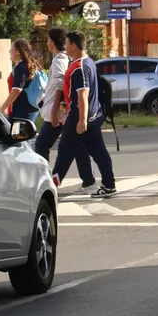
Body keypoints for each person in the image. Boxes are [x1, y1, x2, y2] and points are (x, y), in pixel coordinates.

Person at [51, 31, 118, 198]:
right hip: (93, 116)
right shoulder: (88, 62)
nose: (64, 46)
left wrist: (81, 120)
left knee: (64, 151)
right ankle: (108, 185)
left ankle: (51, 187)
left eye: (66, 43)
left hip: (79, 117)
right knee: (98, 152)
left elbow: (83, 94)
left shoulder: (79, 67)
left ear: (73, 45)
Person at [34, 28, 96, 193]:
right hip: (63, 112)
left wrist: (54, 111)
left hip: (58, 113)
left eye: (48, 39)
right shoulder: (63, 59)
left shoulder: (58, 60)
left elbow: (60, 86)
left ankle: (45, 179)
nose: (47, 43)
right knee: (75, 146)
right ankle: (87, 180)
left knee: (42, 144)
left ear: (53, 42)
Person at [1, 39, 42, 123]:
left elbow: (16, 91)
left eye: (11, 49)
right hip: (29, 109)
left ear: (18, 51)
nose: (9, 51)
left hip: (22, 111)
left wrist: (2, 108)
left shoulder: (21, 67)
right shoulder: (27, 65)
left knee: (11, 131)